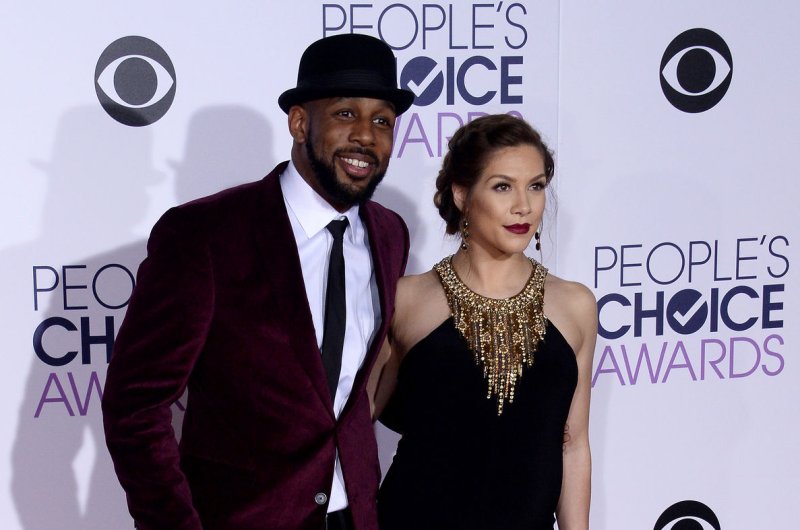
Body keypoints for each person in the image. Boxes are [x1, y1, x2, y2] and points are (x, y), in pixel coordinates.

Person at [102, 33, 414, 530]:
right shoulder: (204, 235)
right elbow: (134, 406)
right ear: (298, 122)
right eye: (345, 114)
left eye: (383, 121)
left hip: (355, 515)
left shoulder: (389, 233)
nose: (366, 137)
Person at [370, 114, 596, 530]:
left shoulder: (575, 305)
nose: (523, 206)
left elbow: (573, 446)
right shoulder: (406, 299)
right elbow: (355, 427)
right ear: (461, 193)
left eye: (536, 186)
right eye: (502, 186)